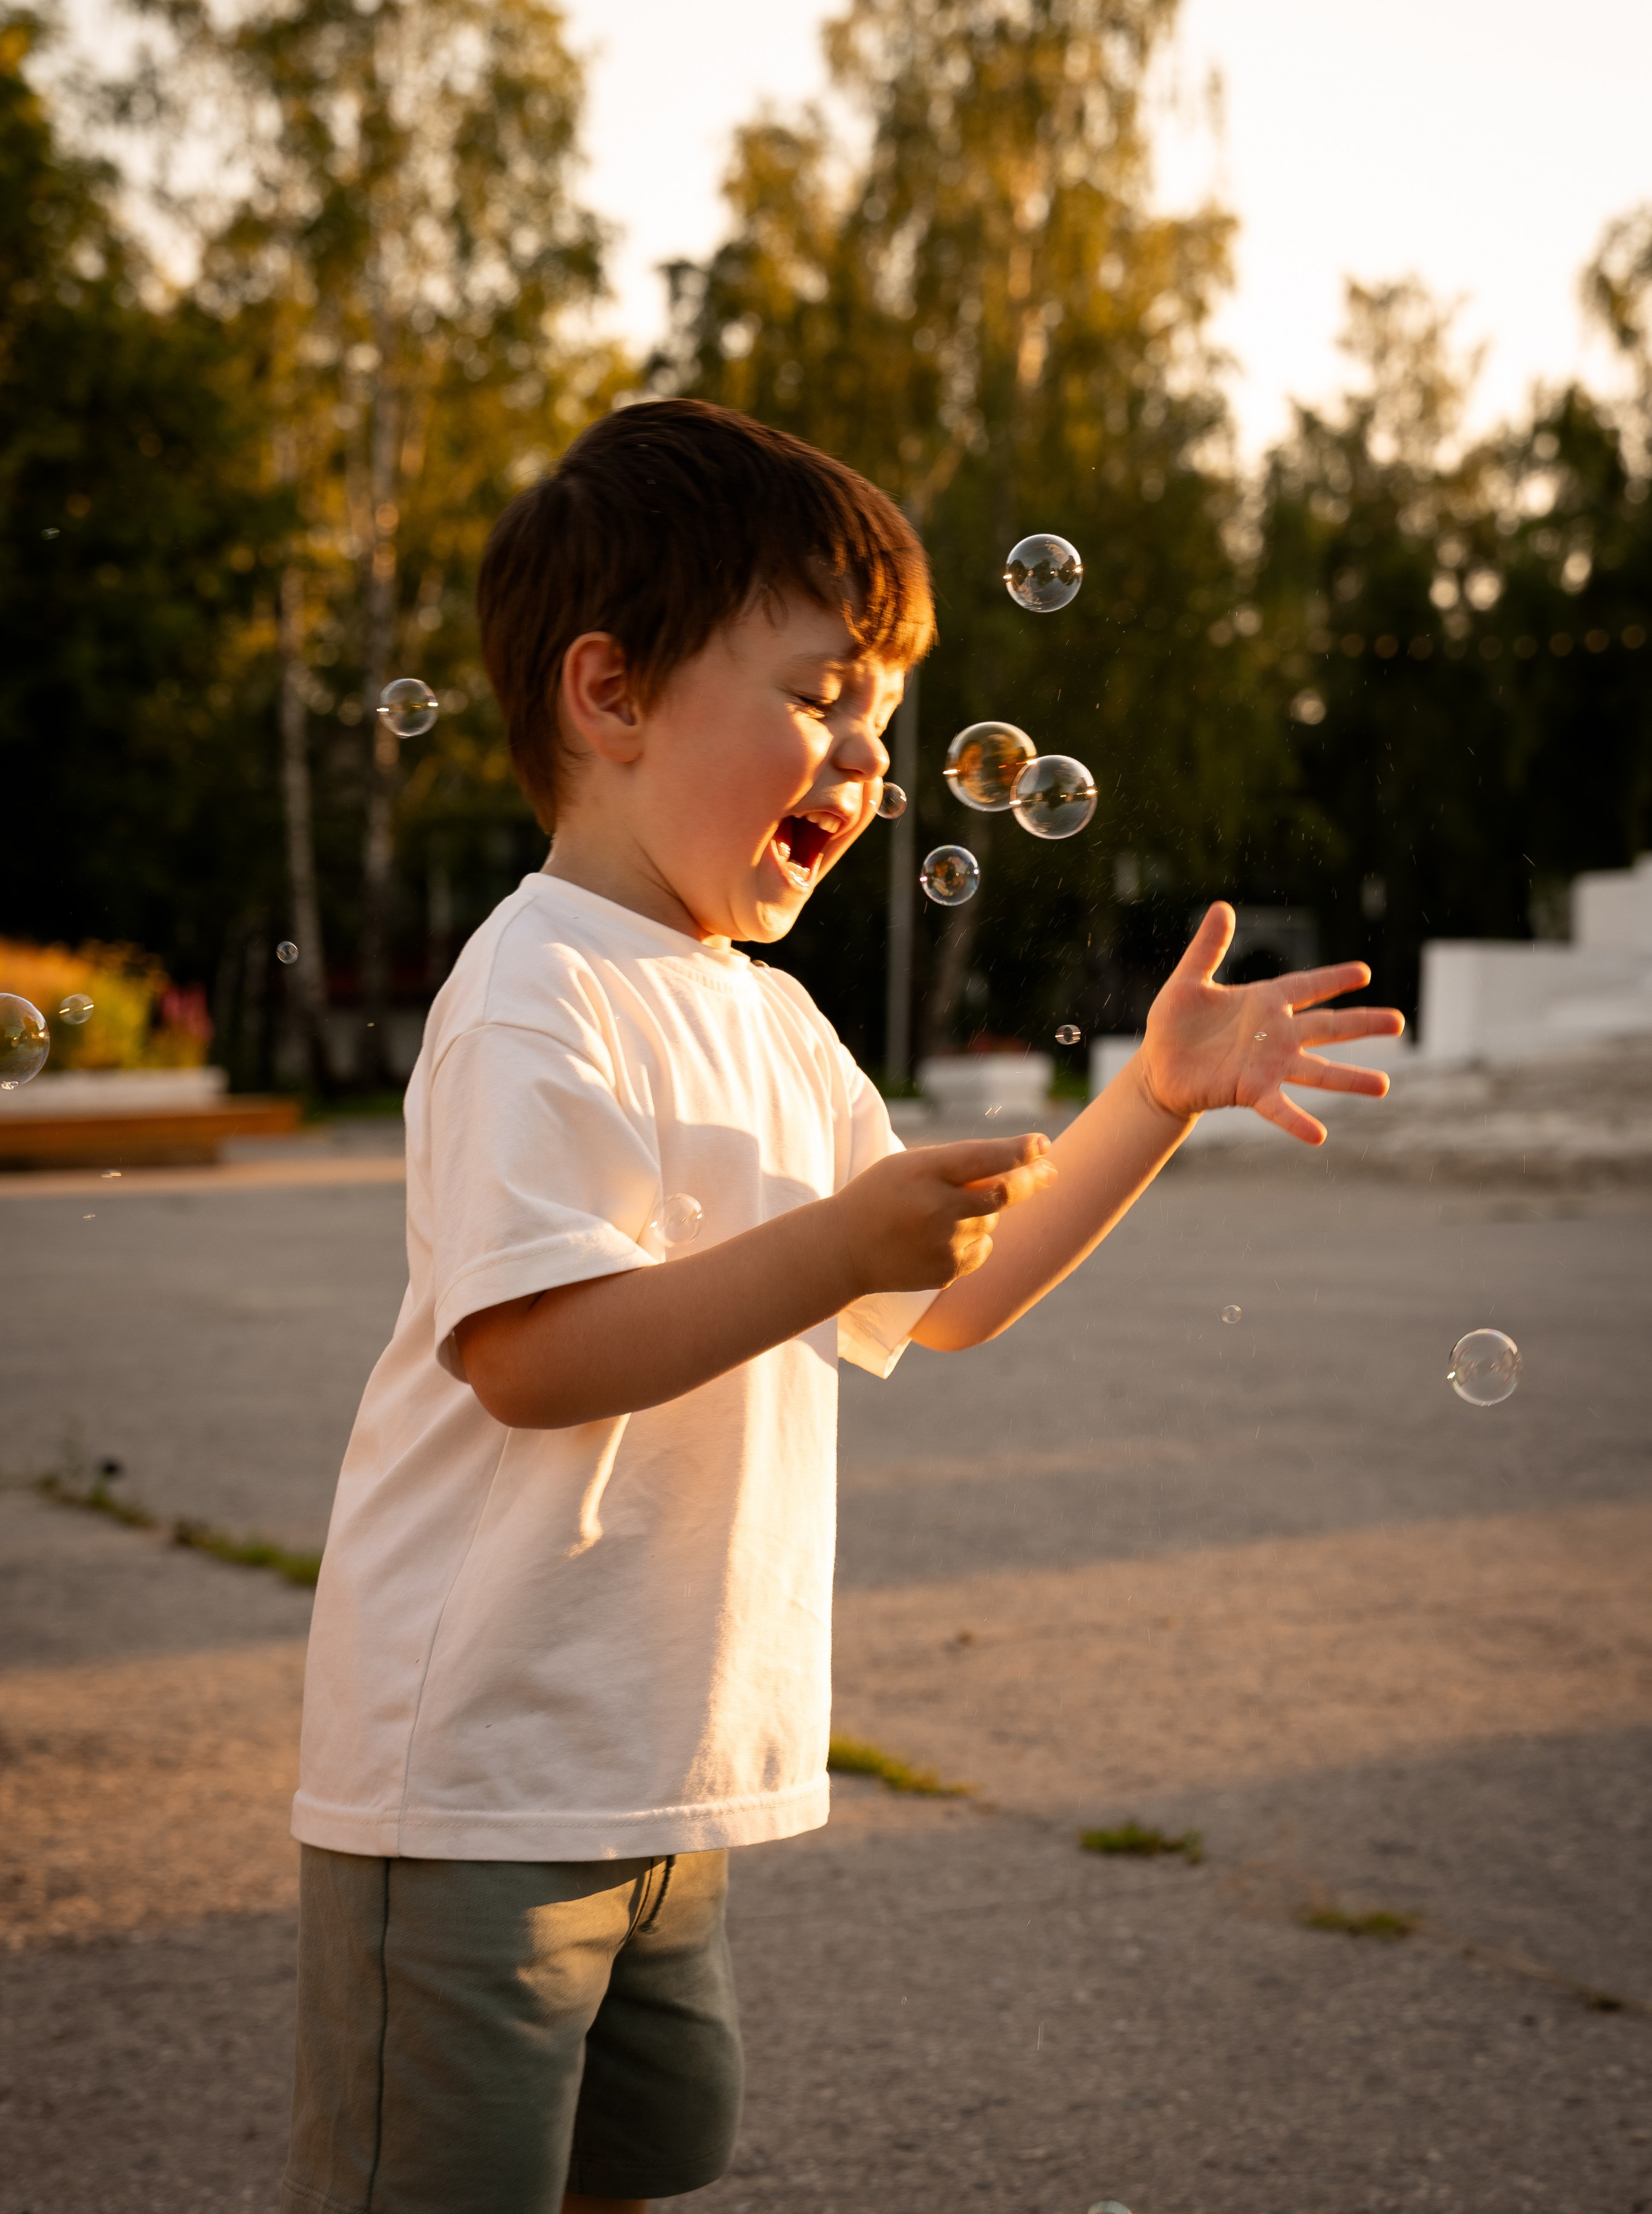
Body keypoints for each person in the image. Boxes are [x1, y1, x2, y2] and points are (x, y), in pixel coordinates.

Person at [282, 400, 1402, 2214]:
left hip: (663, 1773)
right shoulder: (534, 990)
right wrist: (833, 1249)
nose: (867, 755)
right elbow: (530, 1357)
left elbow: (945, 1303)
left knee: (632, 2167)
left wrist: (1153, 1103)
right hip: (478, 1782)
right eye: (822, 694)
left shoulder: (776, 1021)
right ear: (613, 695)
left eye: (884, 714)